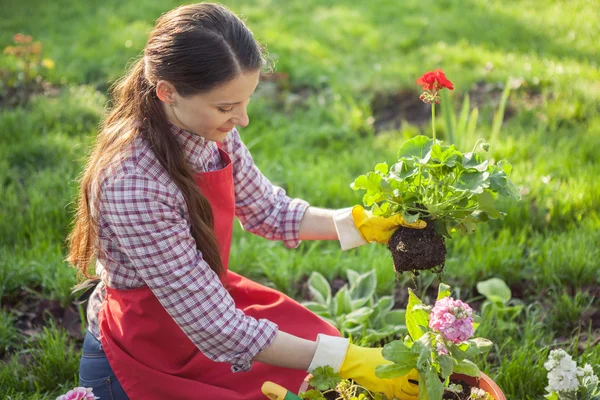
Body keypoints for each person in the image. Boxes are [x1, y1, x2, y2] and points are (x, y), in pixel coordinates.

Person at [67, 3, 423, 400]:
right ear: (167, 91)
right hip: (146, 352)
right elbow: (215, 327)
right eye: (226, 106)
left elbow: (267, 209)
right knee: (319, 368)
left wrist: (359, 224)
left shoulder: (208, 128)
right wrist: (346, 360)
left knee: (319, 353)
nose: (243, 119)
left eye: (246, 100)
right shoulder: (133, 183)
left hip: (201, 304)